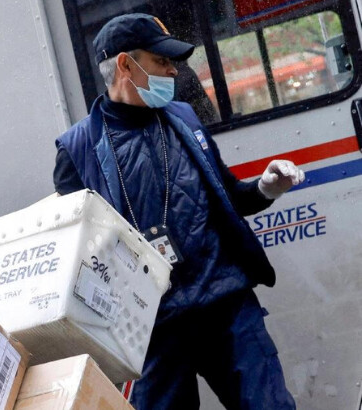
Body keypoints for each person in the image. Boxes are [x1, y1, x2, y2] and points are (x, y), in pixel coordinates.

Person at [53, 13, 303, 410]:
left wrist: (266, 188)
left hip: (226, 305)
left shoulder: (184, 118)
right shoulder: (77, 150)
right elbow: (80, 254)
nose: (173, 70)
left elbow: (228, 196)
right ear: (125, 65)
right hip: (152, 328)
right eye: (162, 62)